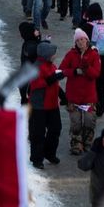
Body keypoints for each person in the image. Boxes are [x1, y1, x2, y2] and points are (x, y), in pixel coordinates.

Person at [60, 28, 102, 155]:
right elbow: (60, 71)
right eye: (77, 40)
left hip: (89, 98)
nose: (80, 42)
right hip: (73, 98)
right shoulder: (71, 54)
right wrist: (74, 71)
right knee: (76, 123)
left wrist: (85, 65)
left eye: (82, 39)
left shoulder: (94, 55)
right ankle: (76, 144)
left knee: (89, 121)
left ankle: (87, 142)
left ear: (87, 40)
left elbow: (95, 74)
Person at [29, 41, 64, 169]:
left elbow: (54, 83)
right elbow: (37, 84)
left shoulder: (52, 65)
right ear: (46, 54)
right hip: (39, 106)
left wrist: (62, 95)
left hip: (52, 105)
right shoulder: (36, 67)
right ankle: (37, 159)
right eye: (53, 53)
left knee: (55, 129)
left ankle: (49, 153)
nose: (55, 55)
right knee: (38, 133)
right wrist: (53, 78)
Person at [80, 3, 104, 118]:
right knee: (102, 84)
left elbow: (79, 37)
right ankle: (100, 107)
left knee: (91, 82)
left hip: (91, 58)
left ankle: (91, 105)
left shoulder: (86, 26)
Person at [18, 21, 42, 104]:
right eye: (34, 30)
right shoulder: (30, 45)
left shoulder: (30, 42)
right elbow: (37, 50)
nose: (37, 31)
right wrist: (42, 42)